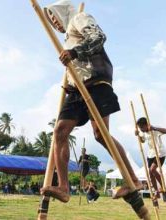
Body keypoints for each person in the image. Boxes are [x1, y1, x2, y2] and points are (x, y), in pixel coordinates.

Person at [40, 0, 142, 203]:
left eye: (54, 16)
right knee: (59, 132)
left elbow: (98, 37)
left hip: (96, 82)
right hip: (77, 89)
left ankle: (132, 179)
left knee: (101, 135)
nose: (54, 22)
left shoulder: (78, 19)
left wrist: (74, 52)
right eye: (50, 20)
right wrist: (69, 81)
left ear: (62, 11)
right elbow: (75, 66)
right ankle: (63, 187)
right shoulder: (67, 39)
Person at [135, 117, 166, 198]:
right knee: (150, 173)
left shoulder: (154, 129)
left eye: (142, 127)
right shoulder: (143, 132)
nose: (141, 129)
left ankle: (163, 186)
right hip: (151, 154)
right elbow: (142, 141)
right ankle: (156, 191)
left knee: (152, 169)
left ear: (147, 125)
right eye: (140, 128)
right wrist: (138, 135)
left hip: (160, 153)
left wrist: (154, 128)